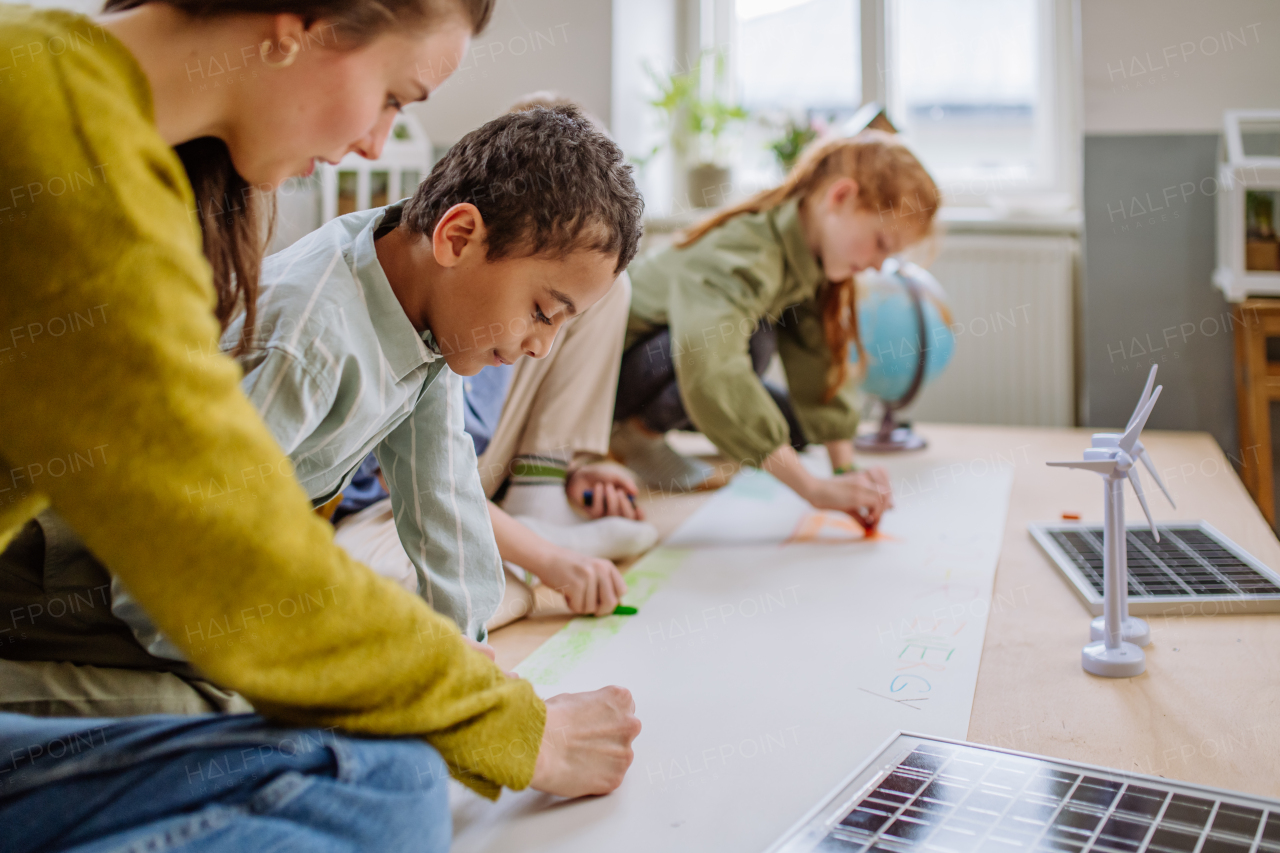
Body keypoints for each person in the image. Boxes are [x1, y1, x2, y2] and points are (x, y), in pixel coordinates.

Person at [0, 2, 639, 850]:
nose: (379, 146)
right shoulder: (56, 139)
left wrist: (468, 667)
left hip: (171, 614)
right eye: (393, 96)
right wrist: (502, 721)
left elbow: (436, 500)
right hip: (101, 636)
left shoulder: (127, 158)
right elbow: (221, 570)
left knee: (392, 779)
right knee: (375, 779)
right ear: (295, 23)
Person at [613, 131, 940, 527]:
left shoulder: (810, 253)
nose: (877, 266)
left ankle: (642, 433)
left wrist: (844, 470)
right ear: (840, 198)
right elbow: (712, 371)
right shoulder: (746, 251)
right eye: (881, 244)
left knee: (794, 427)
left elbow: (818, 361)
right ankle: (633, 436)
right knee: (754, 344)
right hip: (612, 376)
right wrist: (812, 489)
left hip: (661, 362)